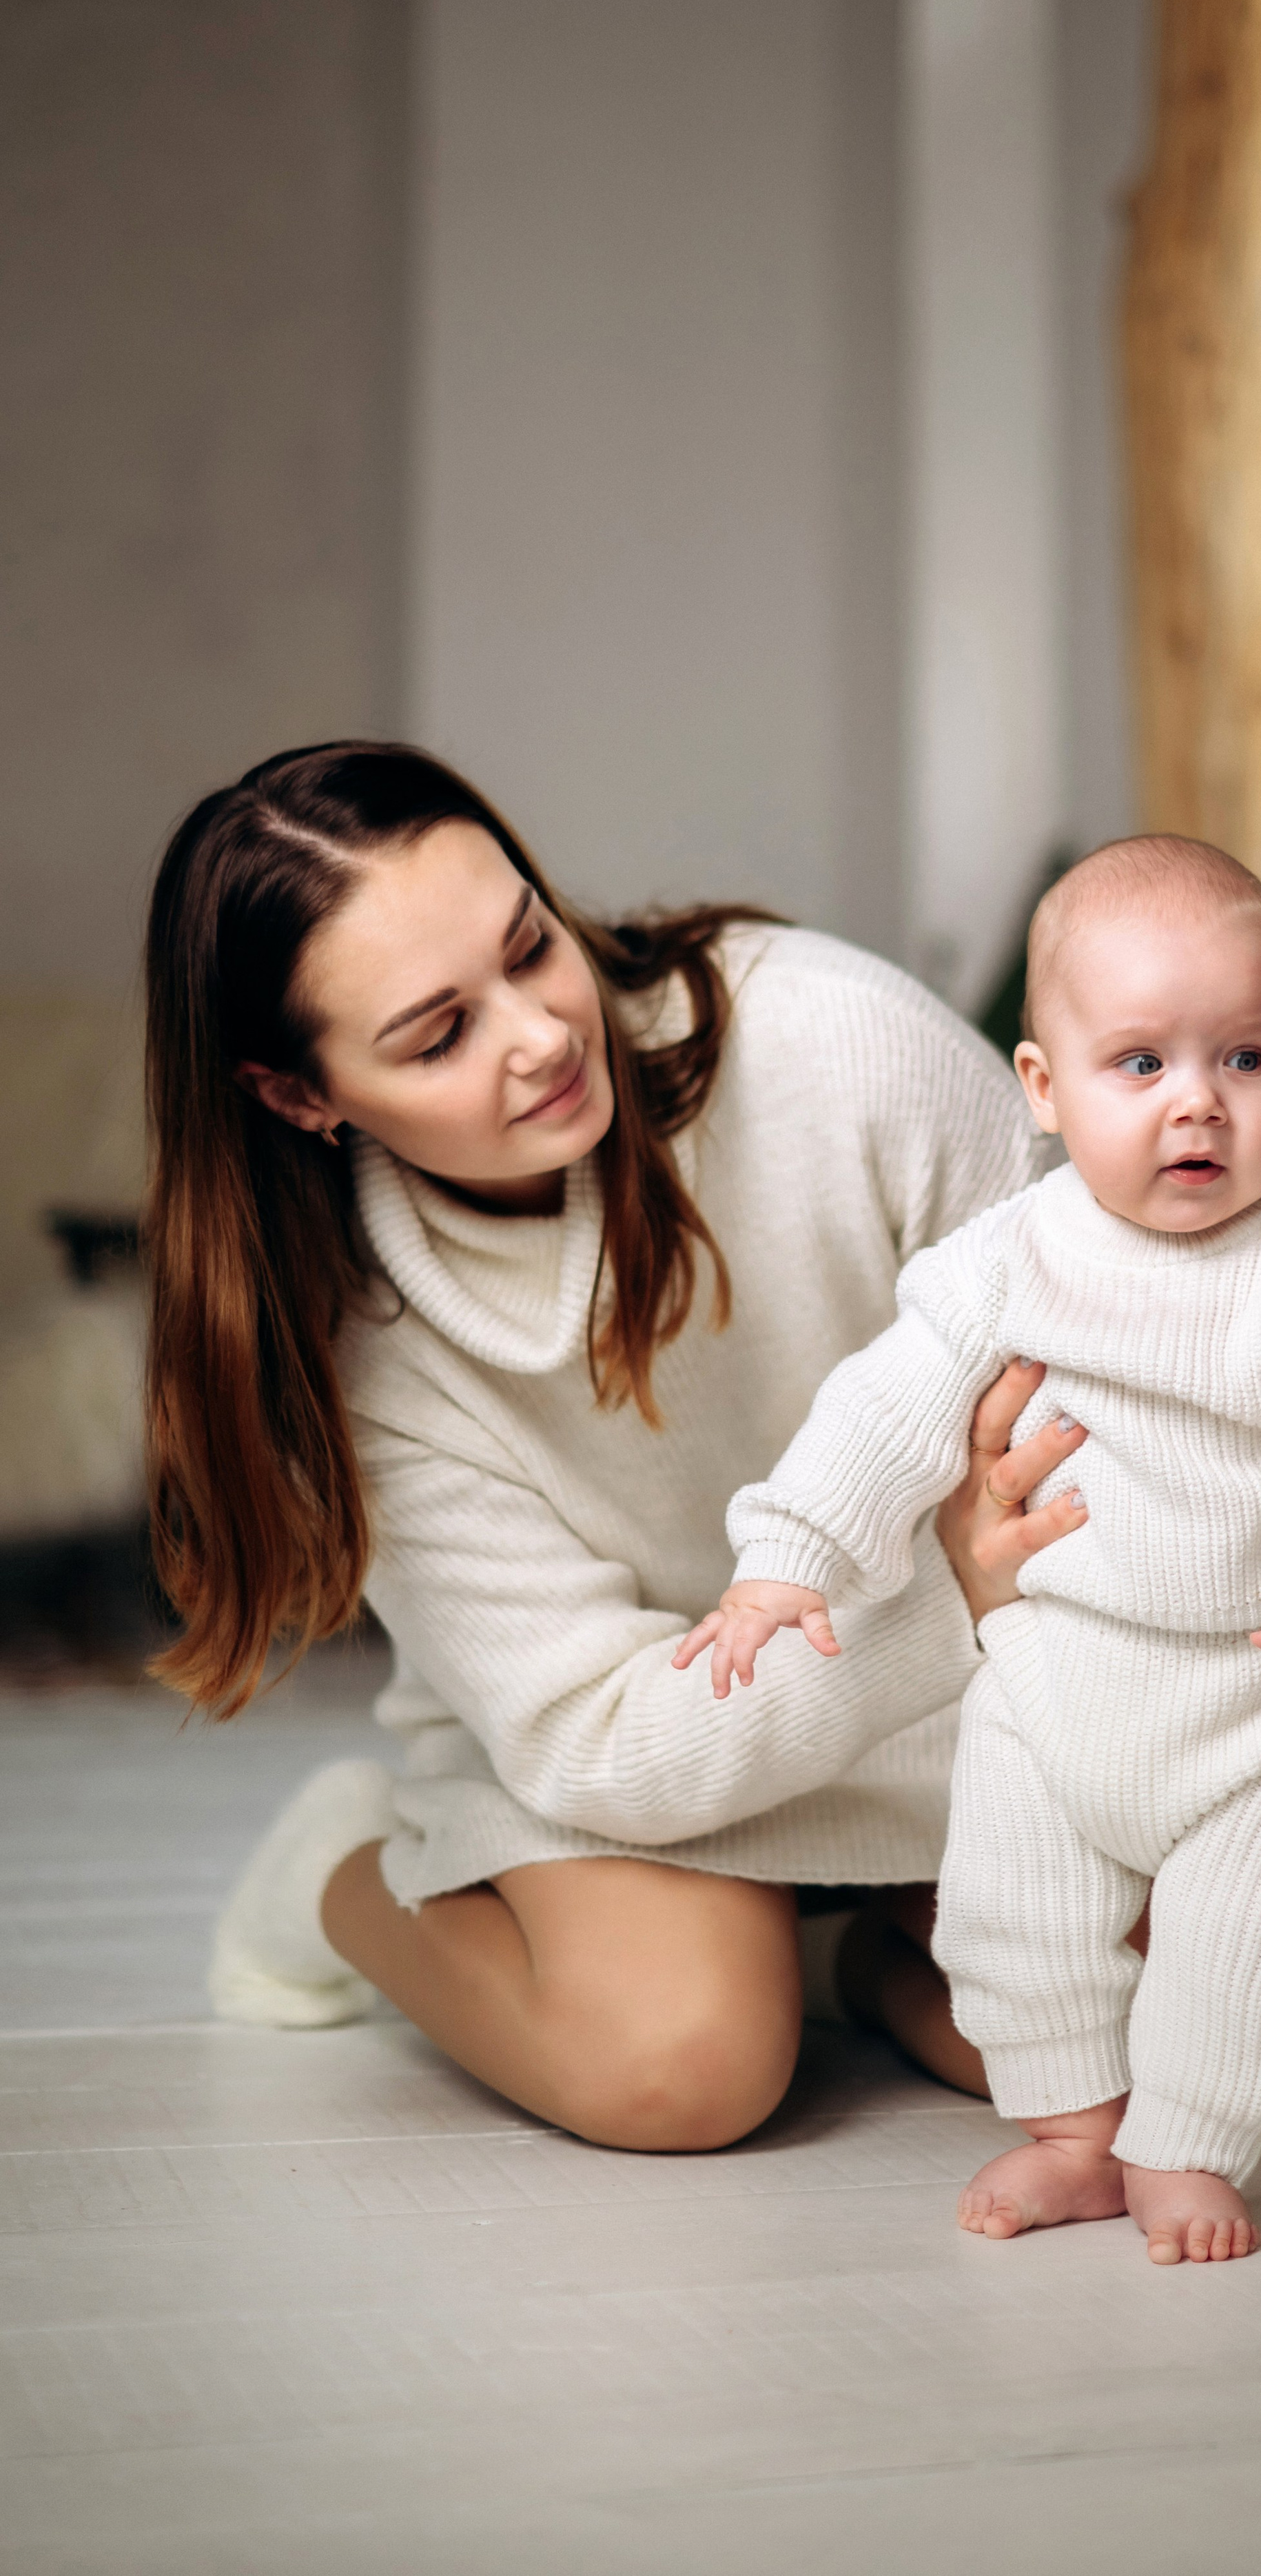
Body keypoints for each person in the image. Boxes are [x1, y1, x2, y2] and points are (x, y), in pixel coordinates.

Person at [145, 739, 1092, 2153]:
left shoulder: (831, 1040)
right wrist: (944, 1603)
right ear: (300, 1095)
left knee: (1126, 2033)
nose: (536, 1034)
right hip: (646, 1747)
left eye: (528, 947)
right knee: (679, 2068)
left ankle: (844, 1949)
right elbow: (599, 1737)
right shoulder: (357, 1353)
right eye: (436, 1035)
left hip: (958, 1692)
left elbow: (1094, 1362)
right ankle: (345, 1867)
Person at [680, 836, 1261, 2260]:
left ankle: (1186, 2151)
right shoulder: (1006, 1258)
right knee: (1006, 1926)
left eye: (1241, 1061)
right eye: (1139, 1066)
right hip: (1054, 1678)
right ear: (1041, 1089)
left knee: (1239, 1960)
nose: (1196, 1110)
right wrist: (787, 1555)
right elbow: (890, 1406)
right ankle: (1075, 2137)